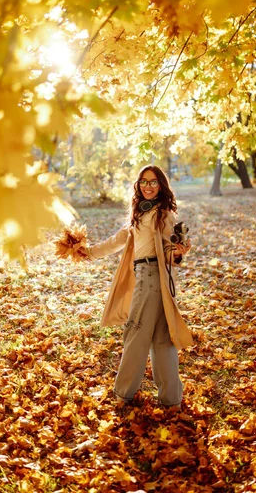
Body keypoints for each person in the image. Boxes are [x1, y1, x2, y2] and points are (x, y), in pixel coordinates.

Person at [84, 165, 193, 408]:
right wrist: (88, 253)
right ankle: (171, 400)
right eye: (144, 181)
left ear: (161, 186)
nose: (148, 186)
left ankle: (124, 395)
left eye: (154, 182)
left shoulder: (162, 214)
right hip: (150, 278)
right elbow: (117, 241)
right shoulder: (141, 213)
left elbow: (169, 249)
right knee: (161, 338)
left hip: (151, 278)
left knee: (136, 333)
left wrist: (178, 253)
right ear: (138, 185)